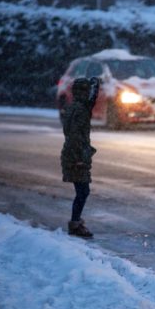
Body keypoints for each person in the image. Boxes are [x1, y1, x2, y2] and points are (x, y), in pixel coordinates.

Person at [61, 77, 100, 238]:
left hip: (73, 153)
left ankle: (76, 221)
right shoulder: (80, 111)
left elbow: (91, 102)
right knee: (83, 191)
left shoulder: (73, 107)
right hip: (76, 156)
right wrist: (79, 158)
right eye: (87, 91)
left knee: (82, 190)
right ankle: (75, 224)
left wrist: (95, 87)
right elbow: (76, 136)